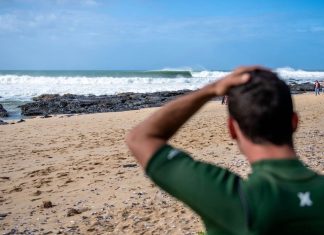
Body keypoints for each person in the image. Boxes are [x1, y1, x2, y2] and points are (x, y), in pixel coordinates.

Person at [126, 66, 324, 235]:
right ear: (294, 122)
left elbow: (140, 138)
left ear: (231, 129)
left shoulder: (234, 199)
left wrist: (212, 89)